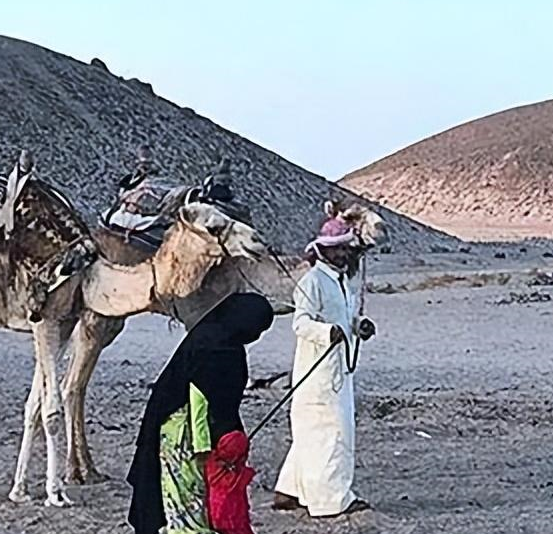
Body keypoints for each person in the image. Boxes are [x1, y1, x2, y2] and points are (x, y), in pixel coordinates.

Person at [128, 293, 276, 534]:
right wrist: (219, 443)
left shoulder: (210, 337)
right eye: (256, 329)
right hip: (184, 434)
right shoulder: (219, 350)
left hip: (177, 428)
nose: (255, 337)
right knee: (188, 499)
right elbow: (208, 403)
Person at [272, 215, 377, 518]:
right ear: (322, 251)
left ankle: (288, 491)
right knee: (333, 434)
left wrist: (358, 327)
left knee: (312, 433)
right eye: (336, 249)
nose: (343, 254)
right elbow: (301, 323)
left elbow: (342, 318)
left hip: (338, 368)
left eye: (345, 248)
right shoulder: (312, 282)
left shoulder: (342, 283)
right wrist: (326, 332)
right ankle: (332, 500)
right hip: (318, 373)